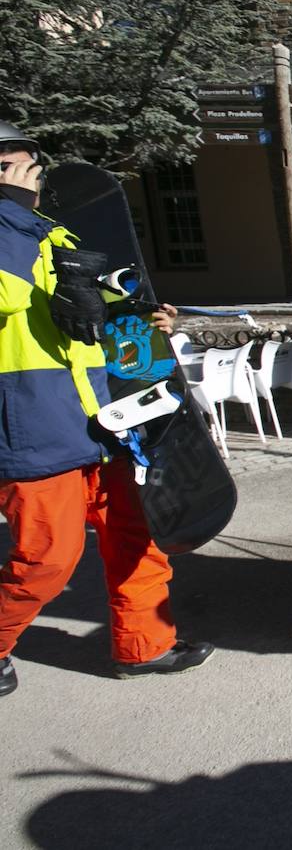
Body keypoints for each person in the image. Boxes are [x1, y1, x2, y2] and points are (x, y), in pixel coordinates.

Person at [0, 121, 213, 698]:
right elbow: (9, 296)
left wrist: (149, 325)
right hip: (36, 428)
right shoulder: (20, 240)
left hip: (104, 419)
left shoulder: (54, 240)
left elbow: (106, 321)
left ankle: (144, 647)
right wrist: (16, 217)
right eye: (3, 168)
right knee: (46, 560)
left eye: (25, 165)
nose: (24, 177)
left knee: (135, 532)